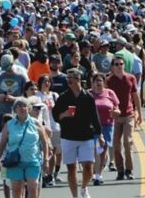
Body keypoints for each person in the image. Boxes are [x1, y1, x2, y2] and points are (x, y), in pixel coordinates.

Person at [52, 68, 105, 198]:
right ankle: (75, 195)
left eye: (71, 78)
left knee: (88, 167)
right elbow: (55, 115)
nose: (68, 80)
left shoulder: (88, 97)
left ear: (78, 79)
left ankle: (84, 187)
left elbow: (95, 117)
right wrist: (64, 114)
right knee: (71, 168)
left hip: (86, 136)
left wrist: (100, 135)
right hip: (68, 137)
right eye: (67, 78)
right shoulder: (63, 97)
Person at [0, 98, 45, 198]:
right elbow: (2, 144)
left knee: (33, 188)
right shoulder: (9, 125)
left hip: (32, 161)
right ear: (15, 110)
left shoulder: (36, 123)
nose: (22, 108)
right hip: (15, 162)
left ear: (29, 109)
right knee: (16, 191)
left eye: (24, 106)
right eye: (19, 106)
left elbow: (45, 141)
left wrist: (46, 159)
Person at [89, 73, 120, 185]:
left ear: (104, 82)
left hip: (107, 125)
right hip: (92, 126)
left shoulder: (110, 93)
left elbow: (117, 109)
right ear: (92, 82)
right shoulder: (88, 94)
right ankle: (95, 173)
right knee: (96, 150)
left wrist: (116, 112)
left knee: (103, 150)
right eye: (96, 80)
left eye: (100, 80)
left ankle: (99, 173)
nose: (98, 83)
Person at [0, 54, 28, 132]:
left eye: (7, 67)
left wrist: (15, 99)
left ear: (12, 64)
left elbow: (27, 95)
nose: (6, 70)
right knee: (3, 134)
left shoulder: (21, 77)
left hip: (18, 111)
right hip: (3, 111)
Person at [38, 74, 62, 187]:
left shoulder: (54, 95)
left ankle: (51, 174)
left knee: (54, 152)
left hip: (55, 126)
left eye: (48, 81)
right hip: (44, 127)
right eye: (44, 81)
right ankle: (44, 174)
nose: (47, 83)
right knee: (46, 151)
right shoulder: (37, 96)